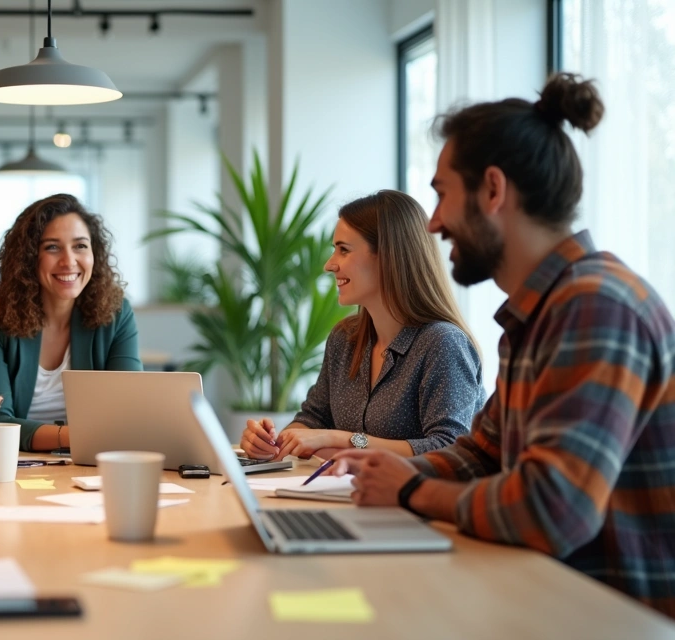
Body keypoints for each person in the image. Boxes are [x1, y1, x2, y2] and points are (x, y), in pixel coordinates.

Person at [328, 74, 675, 617]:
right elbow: (480, 454)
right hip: (546, 600)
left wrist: (411, 492)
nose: (436, 223)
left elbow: (551, 508)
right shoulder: (540, 313)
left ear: (492, 190)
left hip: (608, 617)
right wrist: (388, 473)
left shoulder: (596, 307)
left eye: (442, 195)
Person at [240, 190, 485, 461]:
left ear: (389, 256)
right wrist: (271, 443)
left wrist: (341, 439)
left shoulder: (443, 343)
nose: (329, 265)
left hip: (418, 502)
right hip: (353, 496)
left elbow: (449, 448)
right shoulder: (345, 339)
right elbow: (313, 419)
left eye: (343, 250)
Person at [0, 194, 141, 452]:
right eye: (52, 247)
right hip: (17, 466)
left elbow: (128, 413)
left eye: (80, 246)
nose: (69, 261)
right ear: (29, 257)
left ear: (95, 253)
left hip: (92, 467)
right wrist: (74, 436)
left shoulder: (116, 313)